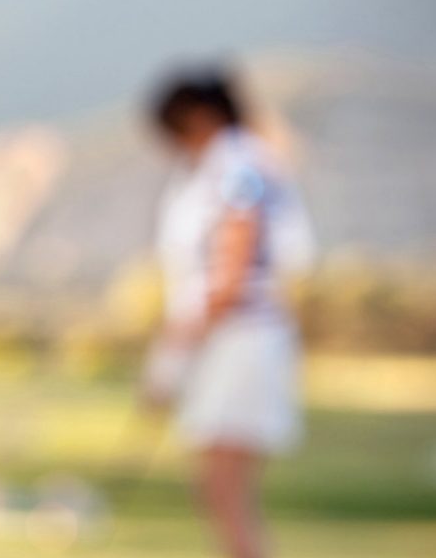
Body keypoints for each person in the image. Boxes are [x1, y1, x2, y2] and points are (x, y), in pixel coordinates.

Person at [142, 67, 315, 558]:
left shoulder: (238, 164)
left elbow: (233, 267)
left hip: (242, 339)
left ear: (198, 117)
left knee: (224, 487)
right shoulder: (233, 160)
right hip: (232, 339)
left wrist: (173, 355)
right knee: (218, 489)